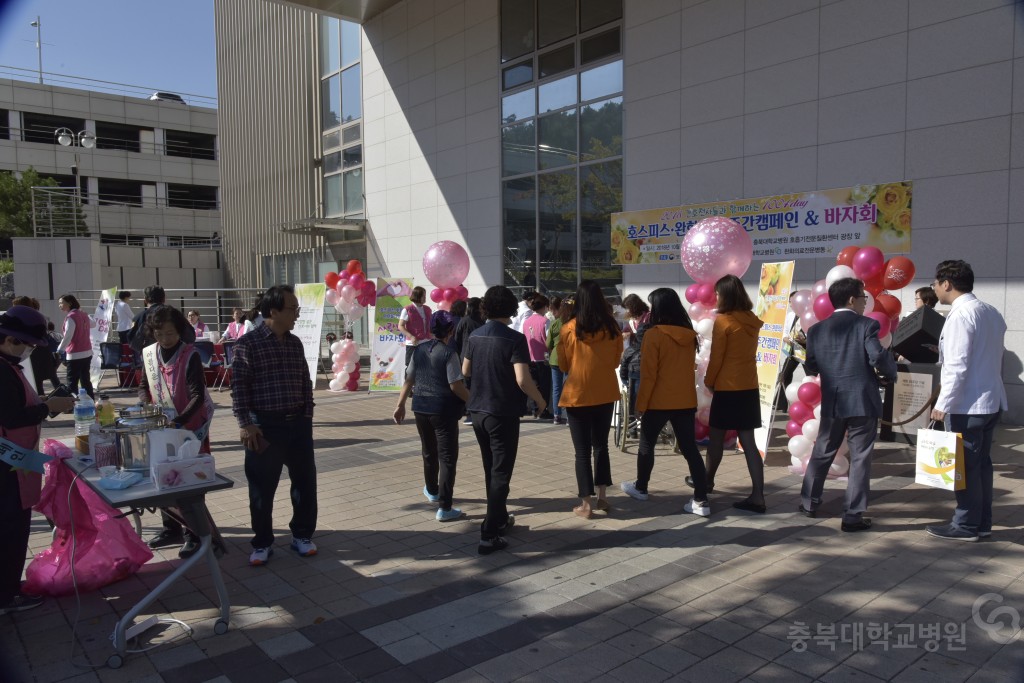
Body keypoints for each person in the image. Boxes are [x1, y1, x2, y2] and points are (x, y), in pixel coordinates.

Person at [799, 278, 897, 532]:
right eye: (864, 297)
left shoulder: (816, 330)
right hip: (862, 400)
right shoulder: (866, 325)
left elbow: (811, 365)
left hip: (833, 399)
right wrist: (890, 371)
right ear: (852, 300)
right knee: (861, 458)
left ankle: (809, 502)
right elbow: (877, 356)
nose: (866, 302)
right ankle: (852, 515)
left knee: (822, 451)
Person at [232, 285, 317, 566]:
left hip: (298, 425)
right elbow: (239, 389)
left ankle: (302, 536)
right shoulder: (248, 344)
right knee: (261, 488)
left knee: (305, 483)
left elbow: (305, 381)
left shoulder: (295, 343)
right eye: (292, 309)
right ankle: (262, 542)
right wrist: (246, 424)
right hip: (265, 426)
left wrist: (307, 414)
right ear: (273, 311)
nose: (296, 314)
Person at [0, 306, 76, 616]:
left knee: (14, 526)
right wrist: (47, 407)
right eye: (27, 345)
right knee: (11, 529)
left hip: (16, 460)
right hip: (7, 464)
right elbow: (11, 415)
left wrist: (46, 403)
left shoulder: (9, 366)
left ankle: (7, 588)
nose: (28, 351)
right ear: (10, 340)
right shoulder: (3, 370)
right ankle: (6, 595)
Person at [926, 260, 1007, 542]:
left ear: (947, 283)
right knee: (981, 465)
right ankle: (982, 522)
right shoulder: (990, 312)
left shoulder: (961, 316)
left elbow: (958, 365)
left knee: (966, 468)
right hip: (989, 400)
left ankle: (965, 525)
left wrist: (942, 404)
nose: (934, 288)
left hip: (966, 404)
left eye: (936, 283)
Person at [462, 285, 547, 555]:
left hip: (478, 412)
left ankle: (497, 517)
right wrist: (541, 400)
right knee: (501, 471)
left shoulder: (475, 335)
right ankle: (489, 533)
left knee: (491, 467)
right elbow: (522, 379)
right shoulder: (513, 339)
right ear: (510, 307)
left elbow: (465, 370)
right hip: (503, 412)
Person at [139, 306, 221, 558]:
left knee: (188, 478)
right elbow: (143, 385)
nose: (165, 339)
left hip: (189, 427)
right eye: (160, 334)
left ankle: (194, 533)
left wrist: (180, 421)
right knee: (164, 474)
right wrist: (146, 405)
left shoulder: (190, 354)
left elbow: (197, 394)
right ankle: (170, 527)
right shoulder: (150, 355)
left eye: (171, 333)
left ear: (180, 331)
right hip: (161, 426)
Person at [619, 289, 710, 516]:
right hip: (684, 400)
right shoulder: (689, 334)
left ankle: (641, 487)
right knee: (690, 449)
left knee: (646, 444)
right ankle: (701, 500)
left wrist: (641, 404)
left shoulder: (654, 335)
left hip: (658, 400)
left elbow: (649, 374)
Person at [700, 275, 767, 513]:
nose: (716, 297)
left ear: (725, 295)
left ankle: (706, 482)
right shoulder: (751, 320)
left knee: (716, 438)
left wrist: (709, 381)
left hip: (727, 387)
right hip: (748, 386)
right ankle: (758, 495)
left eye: (718, 293)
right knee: (748, 442)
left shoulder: (724, 321)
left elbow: (717, 358)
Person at [393, 311, 469, 522]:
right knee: (447, 458)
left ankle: (432, 490)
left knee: (429, 451)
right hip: (443, 410)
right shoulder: (449, 353)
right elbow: (455, 385)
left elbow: (409, 380)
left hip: (420, 408)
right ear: (451, 330)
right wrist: (473, 400)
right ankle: (445, 507)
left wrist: (400, 405)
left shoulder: (419, 350)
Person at [557, 281, 623, 518]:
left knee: (581, 452)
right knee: (601, 446)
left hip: (577, 394)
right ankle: (603, 497)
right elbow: (616, 361)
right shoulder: (613, 328)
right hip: (605, 392)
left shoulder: (568, 329)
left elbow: (563, 364)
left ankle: (585, 504)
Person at [11, 297, 60, 395]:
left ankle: (45, 403)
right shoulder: (37, 316)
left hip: (35, 353)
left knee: (38, 380)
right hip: (43, 351)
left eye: (15, 305)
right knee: (51, 378)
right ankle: (64, 398)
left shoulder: (27, 318)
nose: (13, 307)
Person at [128, 285, 195, 354]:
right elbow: (190, 337)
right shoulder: (175, 314)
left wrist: (145, 350)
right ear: (164, 298)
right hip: (176, 358)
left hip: (151, 358)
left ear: (145, 300)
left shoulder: (140, 318)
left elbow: (133, 343)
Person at [56, 294, 95, 399]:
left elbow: (68, 336)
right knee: (85, 380)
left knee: (72, 382)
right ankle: (91, 401)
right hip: (87, 351)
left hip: (74, 354)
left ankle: (71, 404)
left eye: (61, 303)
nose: (59, 305)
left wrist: (60, 349)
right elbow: (93, 324)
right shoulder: (83, 314)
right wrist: (84, 313)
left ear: (69, 303)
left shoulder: (71, 317)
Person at [619, 293, 651, 420]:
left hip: (644, 356)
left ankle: (635, 416)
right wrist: (625, 334)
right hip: (635, 356)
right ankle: (633, 419)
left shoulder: (648, 317)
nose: (627, 311)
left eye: (627, 308)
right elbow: (626, 331)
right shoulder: (632, 321)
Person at [522, 294, 552, 420]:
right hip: (543, 358)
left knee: (534, 385)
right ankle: (543, 410)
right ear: (545, 306)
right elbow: (549, 340)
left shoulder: (526, 322)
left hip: (530, 357)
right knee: (544, 386)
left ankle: (535, 409)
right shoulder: (545, 321)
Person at [774, 291, 806, 412]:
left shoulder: (806, 315)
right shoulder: (790, 315)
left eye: (793, 302)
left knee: (811, 375)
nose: (791, 304)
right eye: (790, 302)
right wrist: (786, 339)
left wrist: (803, 341)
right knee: (784, 375)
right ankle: (781, 403)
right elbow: (785, 331)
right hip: (792, 349)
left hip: (805, 351)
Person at [546, 297, 572, 426]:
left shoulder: (555, 323)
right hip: (569, 358)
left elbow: (548, 343)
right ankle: (568, 417)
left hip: (555, 358)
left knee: (556, 389)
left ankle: (557, 415)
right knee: (568, 387)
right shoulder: (572, 323)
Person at [398, 286, 432, 368]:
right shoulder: (407, 309)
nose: (425, 298)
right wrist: (411, 336)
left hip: (426, 342)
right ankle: (409, 381)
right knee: (410, 368)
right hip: (413, 343)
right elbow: (400, 326)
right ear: (418, 296)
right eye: (423, 296)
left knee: (425, 367)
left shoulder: (427, 309)